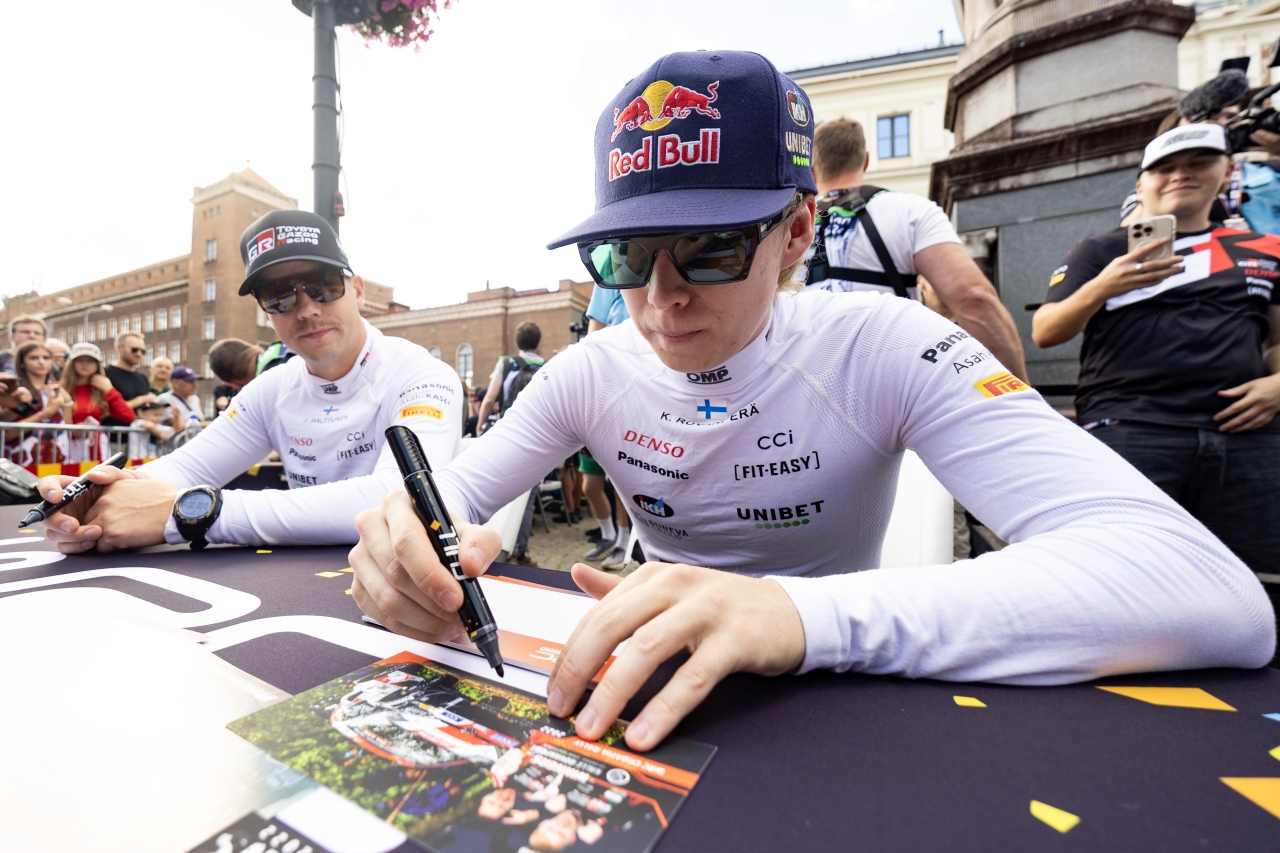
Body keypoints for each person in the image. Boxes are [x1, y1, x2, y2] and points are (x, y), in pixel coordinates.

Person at [348, 51, 1272, 754]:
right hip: (651, 686)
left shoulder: (883, 341)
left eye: (709, 248)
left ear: (796, 233)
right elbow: (446, 498)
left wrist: (795, 616)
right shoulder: (592, 369)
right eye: (624, 255)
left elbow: (1211, 592)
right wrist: (402, 547)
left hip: (840, 687)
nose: (661, 298)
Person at [35, 210, 464, 551]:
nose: (306, 309)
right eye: (279, 296)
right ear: (265, 311)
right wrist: (99, 494)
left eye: (323, 285)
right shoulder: (272, 389)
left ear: (357, 290)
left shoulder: (420, 374)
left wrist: (191, 514)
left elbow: (400, 496)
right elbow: (187, 467)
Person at [1032, 122, 1280, 575]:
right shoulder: (1101, 249)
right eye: (1165, 168)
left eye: (1198, 163)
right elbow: (1046, 330)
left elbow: (1276, 341)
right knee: (1125, 575)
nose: (1181, 175)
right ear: (1141, 184)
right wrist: (1103, 286)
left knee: (1257, 577)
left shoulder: (1263, 249)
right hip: (1132, 430)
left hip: (1248, 436)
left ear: (1226, 172)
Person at [805, 118, 1028, 382]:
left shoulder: (791, 226)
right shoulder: (910, 210)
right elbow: (975, 298)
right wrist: (1021, 391)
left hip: (802, 383)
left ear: (813, 171)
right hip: (891, 381)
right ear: (865, 161)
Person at [477, 322, 546, 565]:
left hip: (508, 435)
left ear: (518, 343)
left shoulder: (507, 363)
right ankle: (521, 551)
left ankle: (491, 547)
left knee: (496, 490)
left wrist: (480, 424)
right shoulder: (547, 365)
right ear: (538, 343)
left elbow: (489, 398)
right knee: (527, 499)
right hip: (537, 438)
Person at [104, 332, 155, 426]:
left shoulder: (142, 378)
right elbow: (104, 410)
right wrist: (139, 400)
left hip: (137, 433)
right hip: (112, 432)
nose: (139, 354)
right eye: (134, 350)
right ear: (119, 348)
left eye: (143, 351)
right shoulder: (105, 374)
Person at [208, 338, 262, 415]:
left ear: (232, 384)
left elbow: (233, 415)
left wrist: (232, 409)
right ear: (258, 348)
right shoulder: (277, 351)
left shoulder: (257, 395)